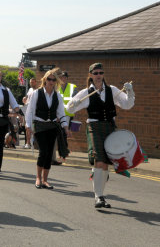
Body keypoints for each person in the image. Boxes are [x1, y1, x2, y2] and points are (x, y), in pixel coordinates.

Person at [66, 63, 134, 208]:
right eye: (95, 73)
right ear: (90, 75)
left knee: (106, 164)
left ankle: (100, 191)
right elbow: (69, 108)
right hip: (94, 127)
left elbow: (127, 105)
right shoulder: (86, 93)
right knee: (99, 161)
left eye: (100, 73)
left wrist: (130, 92)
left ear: (103, 74)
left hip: (109, 127)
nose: (98, 75)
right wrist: (74, 102)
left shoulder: (113, 90)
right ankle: (99, 197)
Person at [26, 69, 70, 190]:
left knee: (50, 153)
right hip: (39, 125)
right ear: (45, 80)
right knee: (43, 151)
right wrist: (28, 126)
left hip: (52, 126)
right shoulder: (36, 93)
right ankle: (38, 178)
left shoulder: (57, 95)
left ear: (56, 81)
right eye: (49, 79)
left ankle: (45, 180)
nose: (51, 81)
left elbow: (61, 113)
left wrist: (65, 127)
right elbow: (30, 111)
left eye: (53, 79)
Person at [51, 70, 79, 166]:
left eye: (64, 77)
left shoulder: (72, 87)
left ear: (67, 78)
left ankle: (64, 151)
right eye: (61, 77)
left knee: (63, 134)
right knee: (61, 134)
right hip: (58, 115)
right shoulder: (56, 87)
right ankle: (64, 151)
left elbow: (75, 99)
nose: (63, 79)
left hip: (68, 114)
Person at [23, 77, 37, 149]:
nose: (31, 84)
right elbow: (27, 97)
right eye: (30, 82)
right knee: (27, 127)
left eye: (32, 82)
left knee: (33, 128)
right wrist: (25, 99)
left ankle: (33, 143)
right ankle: (27, 143)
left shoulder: (38, 90)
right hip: (28, 110)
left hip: (34, 112)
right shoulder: (30, 89)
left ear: (36, 82)